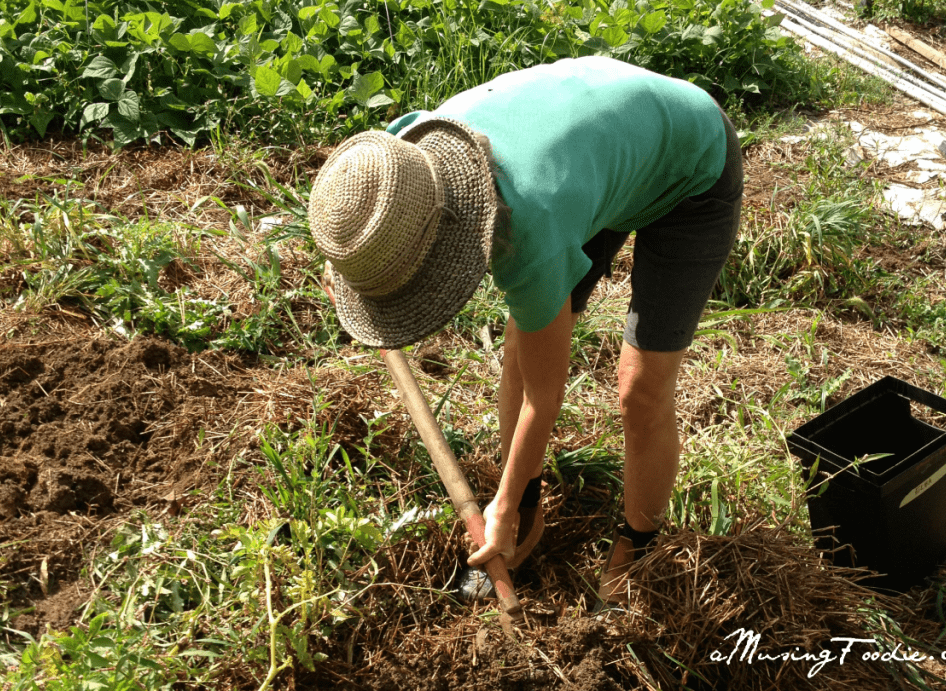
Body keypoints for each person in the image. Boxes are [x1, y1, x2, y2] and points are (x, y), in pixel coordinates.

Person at [308, 56, 744, 607]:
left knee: (641, 389)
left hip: (689, 160)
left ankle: (639, 541)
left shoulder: (524, 226)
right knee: (520, 347)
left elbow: (546, 394)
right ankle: (527, 512)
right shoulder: (403, 155)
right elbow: (364, 223)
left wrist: (503, 499)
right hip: (592, 150)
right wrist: (355, 269)